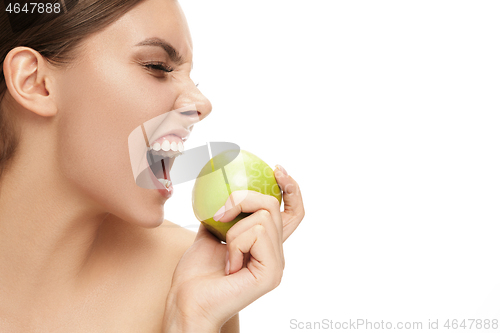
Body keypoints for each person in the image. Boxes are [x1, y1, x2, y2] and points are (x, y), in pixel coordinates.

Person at [0, 0, 305, 331]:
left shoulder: (186, 278)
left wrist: (190, 322)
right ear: (34, 81)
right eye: (158, 66)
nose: (202, 104)